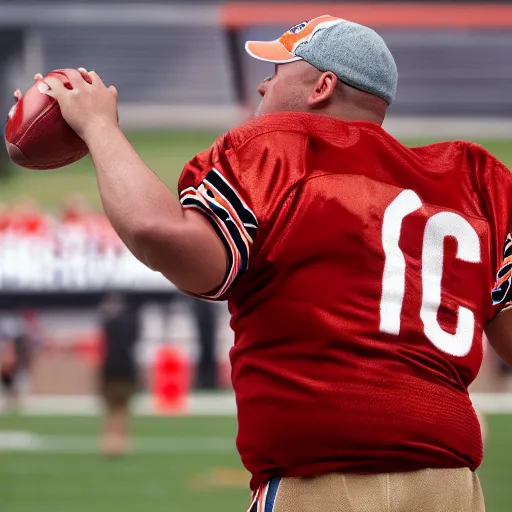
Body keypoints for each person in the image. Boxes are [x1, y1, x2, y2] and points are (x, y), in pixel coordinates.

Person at [16, 14, 512, 511]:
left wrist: (100, 128)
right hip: (450, 489)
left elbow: (163, 236)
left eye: (277, 71)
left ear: (322, 86)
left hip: (322, 486)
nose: (262, 83)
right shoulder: (474, 181)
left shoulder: (279, 151)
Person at [97, 292, 141, 456]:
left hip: (111, 368)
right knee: (123, 409)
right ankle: (121, 442)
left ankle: (108, 443)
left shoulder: (108, 323)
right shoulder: (131, 323)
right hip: (126, 368)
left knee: (111, 409)